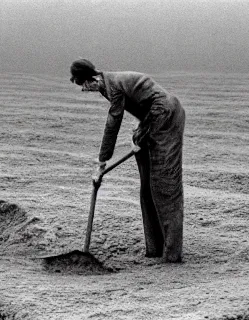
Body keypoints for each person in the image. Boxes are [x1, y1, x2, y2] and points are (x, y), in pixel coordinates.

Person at [70, 59, 186, 263]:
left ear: (93, 78)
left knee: (164, 185)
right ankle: (155, 249)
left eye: (83, 85)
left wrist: (101, 163)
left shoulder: (112, 85)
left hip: (166, 116)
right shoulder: (109, 84)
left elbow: (113, 122)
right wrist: (140, 133)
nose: (84, 90)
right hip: (151, 118)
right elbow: (140, 103)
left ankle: (171, 255)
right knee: (147, 187)